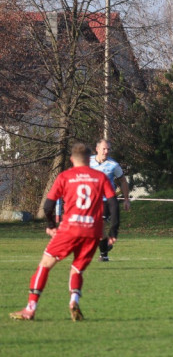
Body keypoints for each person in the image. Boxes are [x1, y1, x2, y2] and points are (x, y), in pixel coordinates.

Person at [10, 143, 118, 321]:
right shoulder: (100, 177)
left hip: (69, 229)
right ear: (89, 159)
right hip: (92, 231)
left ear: (71, 159)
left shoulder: (65, 176)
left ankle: (30, 308)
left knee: (45, 265)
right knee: (77, 269)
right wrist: (113, 231)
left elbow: (48, 205)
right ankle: (73, 300)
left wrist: (52, 224)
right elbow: (113, 203)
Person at [89, 138, 130, 262]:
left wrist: (126, 199)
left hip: (106, 200)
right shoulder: (88, 161)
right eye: (104, 149)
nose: (106, 151)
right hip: (90, 200)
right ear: (97, 149)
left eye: (108, 149)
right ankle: (105, 247)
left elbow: (123, 180)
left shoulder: (113, 165)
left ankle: (104, 254)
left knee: (99, 226)